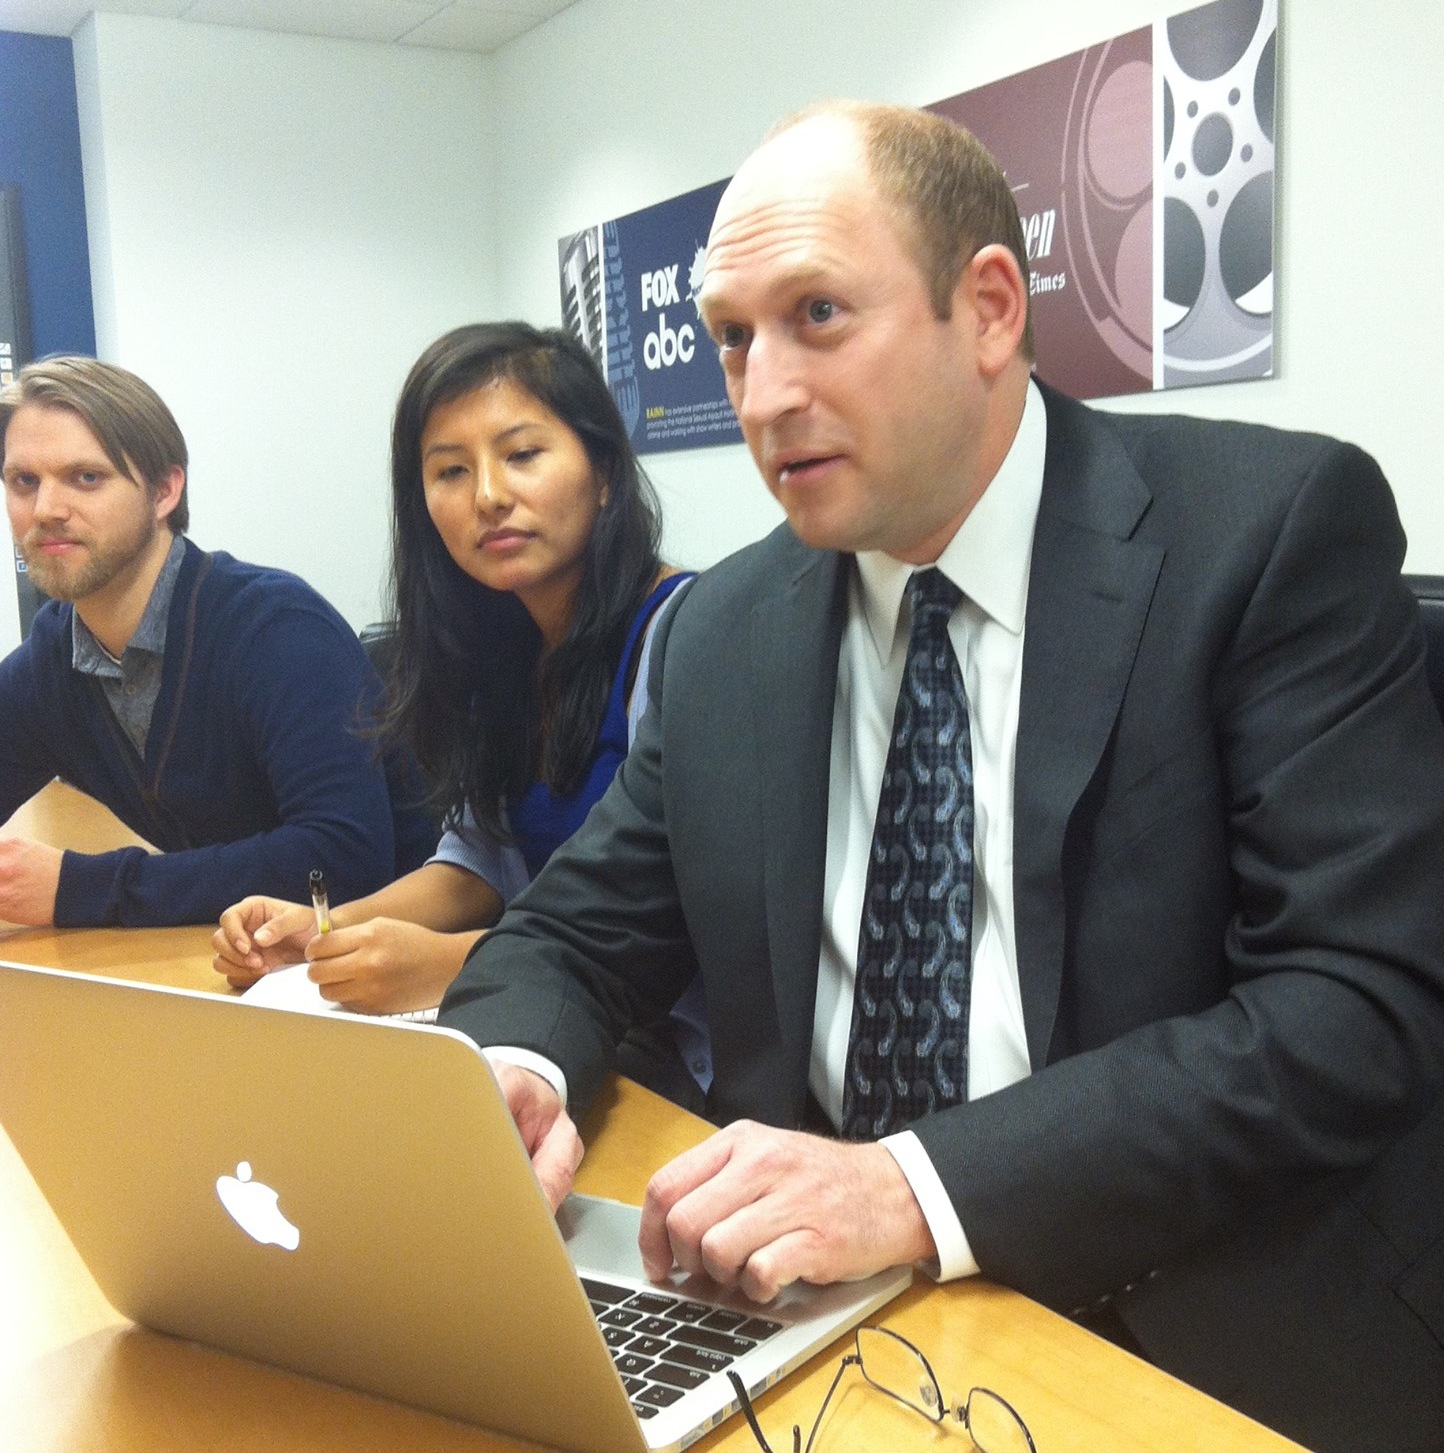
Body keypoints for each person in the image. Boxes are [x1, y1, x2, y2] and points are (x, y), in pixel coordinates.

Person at [436, 103, 1444, 1453]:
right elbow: (572, 928)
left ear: (986, 310)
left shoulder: (1263, 535)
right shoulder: (730, 629)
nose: (761, 395)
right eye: (733, 336)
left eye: (819, 317)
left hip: (1184, 1308)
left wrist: (915, 1186)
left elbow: (1354, 1008)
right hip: (821, 1310)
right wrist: (512, 1071)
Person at [212, 324, 706, 1098]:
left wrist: (448, 964)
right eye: (449, 470)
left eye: (522, 455)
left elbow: (679, 920)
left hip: (667, 1061)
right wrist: (329, 929)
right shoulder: (497, 646)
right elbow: (478, 861)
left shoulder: (684, 633)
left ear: (604, 470)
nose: (488, 496)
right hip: (544, 1025)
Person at [0, 356, 436, 929]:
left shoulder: (276, 630)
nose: (46, 510)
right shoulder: (54, 658)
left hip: (398, 975)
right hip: (237, 965)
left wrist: (80, 888)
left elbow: (344, 858)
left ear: (164, 491)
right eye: (23, 482)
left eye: (86, 477)